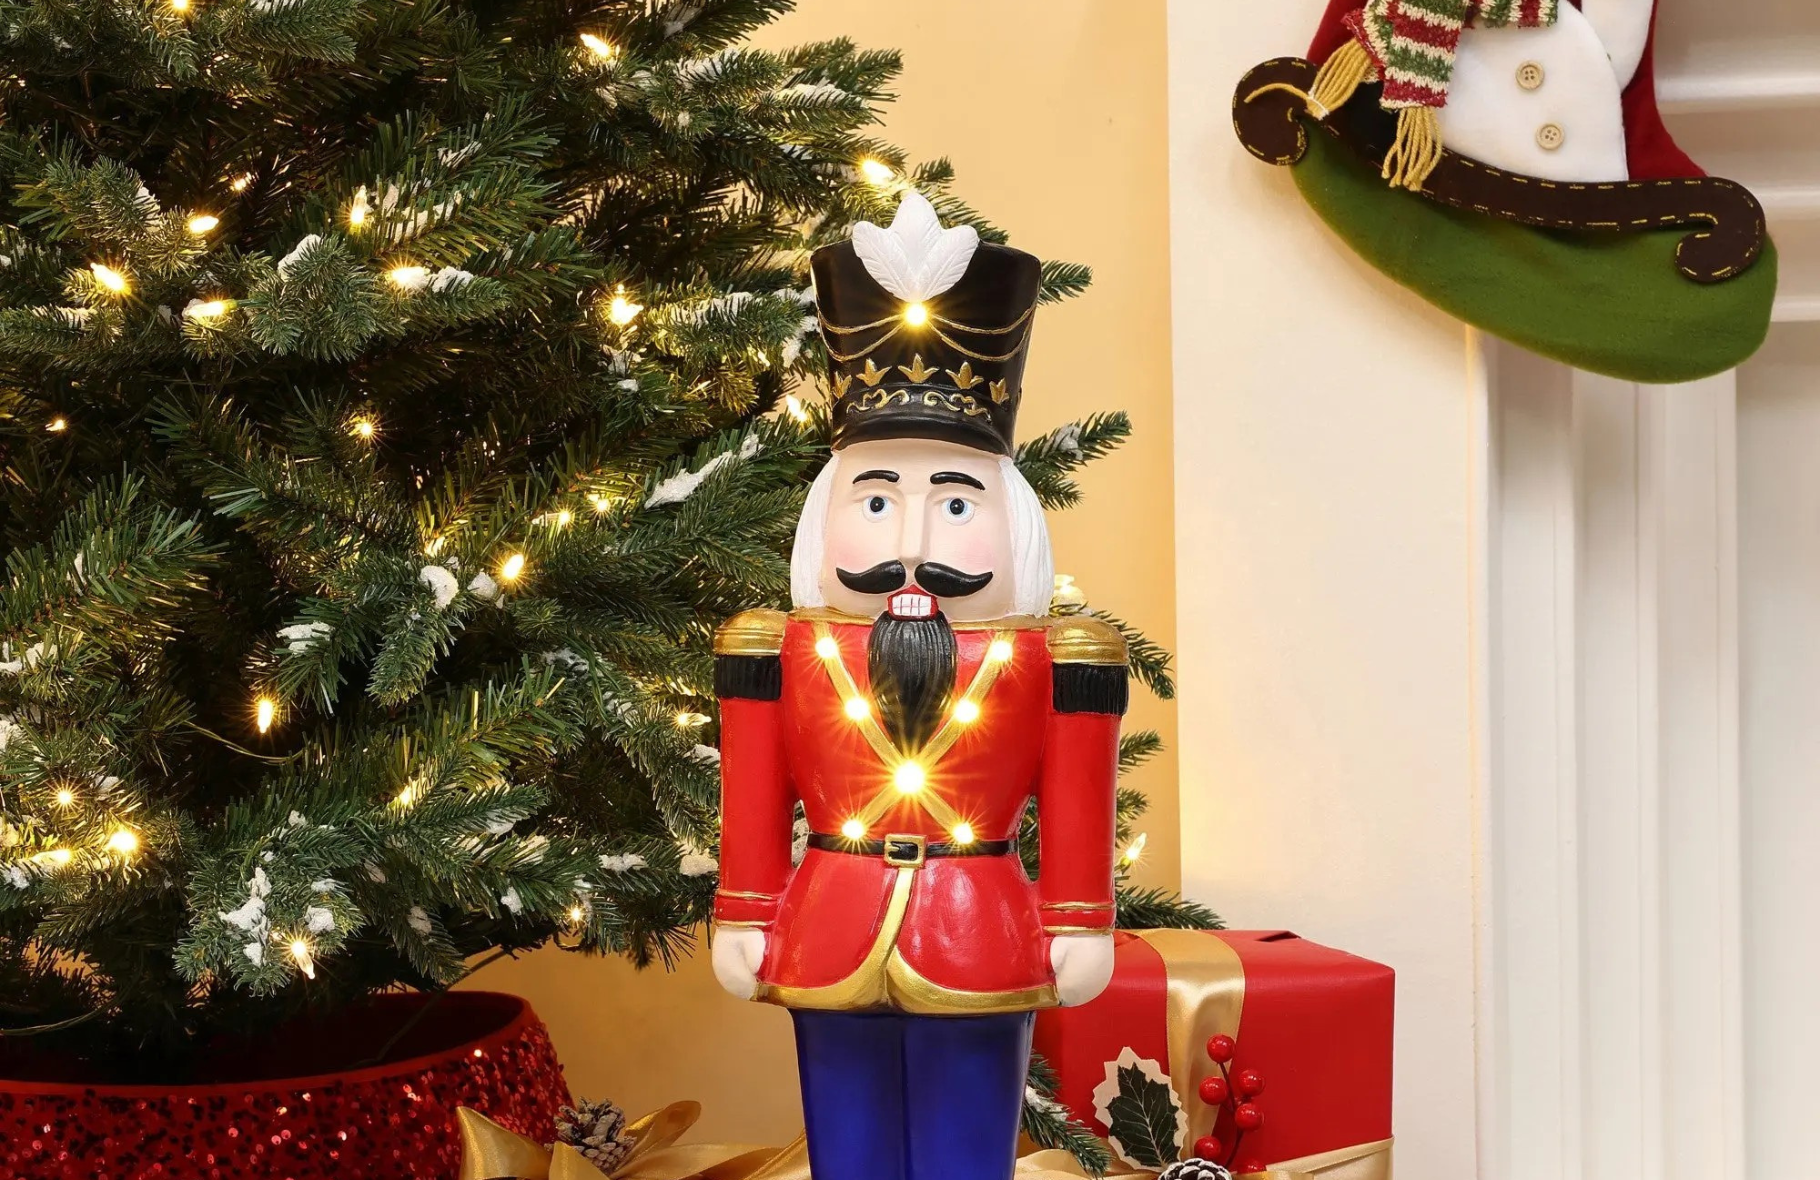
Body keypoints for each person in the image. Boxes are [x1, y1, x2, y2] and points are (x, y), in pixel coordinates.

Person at [709, 193, 1126, 1180]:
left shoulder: (1062, 658)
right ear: (826, 514)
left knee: (961, 1147)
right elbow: (754, 794)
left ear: (1009, 519)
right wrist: (742, 906)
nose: (911, 544)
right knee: (845, 1146)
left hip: (981, 927)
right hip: (825, 924)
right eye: (876, 496)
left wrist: (1077, 916)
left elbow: (1075, 796)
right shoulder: (773, 648)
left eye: (951, 501)